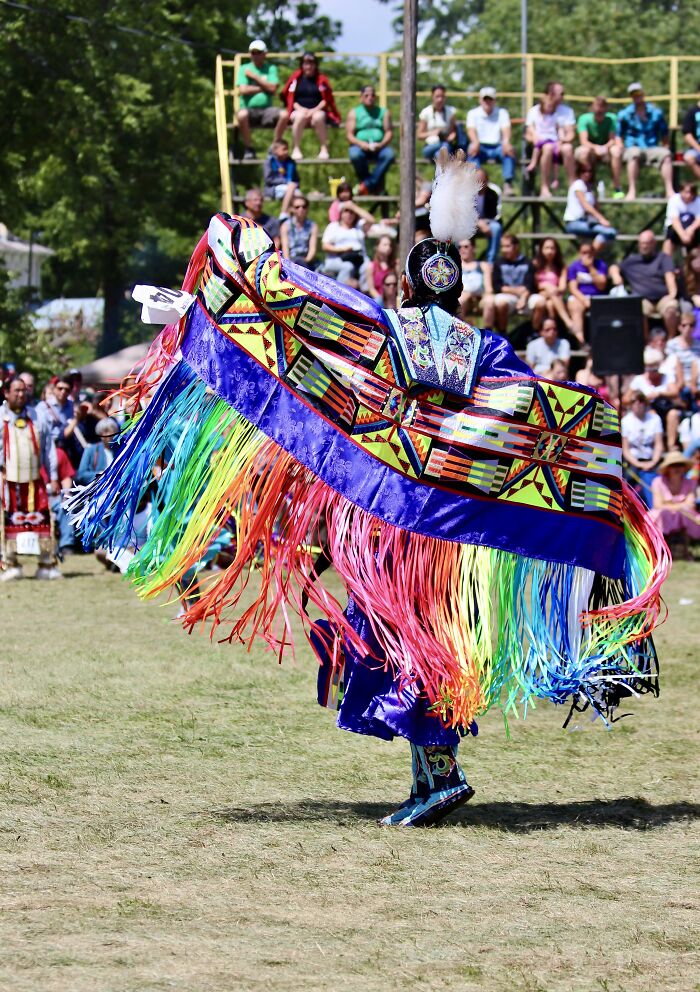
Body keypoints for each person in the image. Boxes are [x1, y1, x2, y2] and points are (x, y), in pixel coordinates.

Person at [73, 153, 667, 829]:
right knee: (422, 643)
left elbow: (312, 316)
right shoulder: (488, 351)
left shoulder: (384, 331)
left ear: (409, 287)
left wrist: (222, 294)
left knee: (400, 643)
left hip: (388, 524)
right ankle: (434, 775)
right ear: (460, 293)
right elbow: (529, 411)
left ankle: (439, 776)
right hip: (454, 531)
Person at [0, 376, 61, 581]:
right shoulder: (0, 416)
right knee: (8, 521)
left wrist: (53, 476)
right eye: (16, 390)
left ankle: (46, 565)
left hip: (35, 481)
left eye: (23, 390)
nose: (21, 394)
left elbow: (48, 448)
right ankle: (10, 564)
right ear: (6, 393)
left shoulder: (38, 416)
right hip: (7, 481)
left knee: (42, 520)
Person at [616, 82, 674, 201]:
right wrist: (620, 147)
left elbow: (664, 133)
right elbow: (618, 134)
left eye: (638, 93)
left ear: (643, 94)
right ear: (631, 96)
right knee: (634, 153)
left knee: (666, 154)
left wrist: (666, 146)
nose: (637, 96)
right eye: (634, 94)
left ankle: (669, 190)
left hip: (651, 146)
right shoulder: (625, 114)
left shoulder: (656, 112)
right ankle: (632, 190)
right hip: (632, 147)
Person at [618, 230, 680, 337]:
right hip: (643, 300)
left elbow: (670, 277)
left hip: (663, 298)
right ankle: (645, 342)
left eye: (647, 243)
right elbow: (614, 267)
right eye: (642, 243)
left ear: (654, 243)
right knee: (637, 311)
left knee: (671, 310)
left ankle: (671, 340)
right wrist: (616, 275)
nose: (644, 246)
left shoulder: (663, 258)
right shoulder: (631, 261)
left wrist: (672, 295)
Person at [281, 53, 340, 161]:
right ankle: (296, 148)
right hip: (299, 110)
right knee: (300, 116)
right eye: (305, 63)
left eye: (311, 63)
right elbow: (290, 99)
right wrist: (302, 109)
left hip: (317, 111)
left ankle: (324, 148)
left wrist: (313, 110)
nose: (308, 66)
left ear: (316, 65)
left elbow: (326, 100)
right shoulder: (296, 79)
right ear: (302, 65)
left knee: (319, 116)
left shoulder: (322, 79)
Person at [235, 39, 288, 159]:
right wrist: (265, 87)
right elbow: (243, 90)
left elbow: (273, 88)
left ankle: (274, 147)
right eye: (253, 52)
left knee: (285, 115)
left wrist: (254, 77)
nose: (255, 55)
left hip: (267, 110)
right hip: (248, 110)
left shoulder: (271, 68)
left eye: (258, 52)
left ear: (265, 54)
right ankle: (249, 148)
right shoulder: (244, 68)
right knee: (241, 115)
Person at [481, 233, 543, 333]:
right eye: (502, 247)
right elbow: (497, 286)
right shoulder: (499, 263)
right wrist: (515, 291)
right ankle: (502, 332)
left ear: (516, 246)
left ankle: (534, 332)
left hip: (526, 296)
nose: (504, 250)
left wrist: (523, 297)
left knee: (540, 302)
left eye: (507, 246)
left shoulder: (528, 262)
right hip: (507, 296)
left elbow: (530, 285)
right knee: (500, 302)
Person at [626, 346, 682, 451]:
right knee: (653, 415)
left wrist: (659, 394)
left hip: (665, 408)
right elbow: (626, 399)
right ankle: (656, 447)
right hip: (647, 410)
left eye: (654, 369)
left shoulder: (667, 376)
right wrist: (641, 398)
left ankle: (671, 446)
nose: (652, 372)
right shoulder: (639, 379)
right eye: (649, 368)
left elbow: (675, 392)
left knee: (673, 414)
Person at [524, 85, 574, 197]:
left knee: (568, 148)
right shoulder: (534, 111)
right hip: (542, 146)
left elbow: (570, 134)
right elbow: (528, 135)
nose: (563, 96)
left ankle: (572, 186)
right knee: (548, 148)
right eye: (561, 94)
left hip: (558, 143)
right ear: (550, 94)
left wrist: (562, 140)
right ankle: (544, 187)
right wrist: (536, 139)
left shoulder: (567, 111)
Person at [466, 87, 515, 196]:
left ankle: (508, 183)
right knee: (472, 152)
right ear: (480, 100)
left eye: (490, 99)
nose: (487, 102)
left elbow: (506, 129)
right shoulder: (473, 113)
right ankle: (475, 184)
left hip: (498, 146)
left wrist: (506, 142)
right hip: (480, 146)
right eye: (485, 99)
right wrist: (475, 142)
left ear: (494, 100)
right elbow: (471, 130)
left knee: (509, 151)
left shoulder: (502, 113)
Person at [346, 86, 395, 195]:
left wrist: (381, 144)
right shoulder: (354, 112)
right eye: (366, 95)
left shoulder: (384, 112)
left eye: (372, 95)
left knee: (389, 155)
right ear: (361, 98)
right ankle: (373, 185)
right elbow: (349, 135)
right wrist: (361, 144)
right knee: (355, 155)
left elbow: (389, 132)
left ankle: (366, 185)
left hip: (380, 146)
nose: (370, 98)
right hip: (359, 146)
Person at [650, 451, 700, 557]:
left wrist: (671, 506)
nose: (677, 468)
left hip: (684, 515)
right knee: (664, 514)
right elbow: (657, 505)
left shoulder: (691, 483)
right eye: (673, 465)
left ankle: (684, 551)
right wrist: (680, 506)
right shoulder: (658, 481)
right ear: (667, 468)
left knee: (685, 514)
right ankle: (660, 552)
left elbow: (691, 504)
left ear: (684, 467)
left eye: (680, 465)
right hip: (663, 515)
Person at [621, 392, 664, 506]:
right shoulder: (626, 421)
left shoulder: (655, 419)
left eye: (641, 401)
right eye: (634, 402)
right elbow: (626, 449)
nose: (638, 404)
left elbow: (658, 444)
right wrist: (638, 464)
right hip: (633, 462)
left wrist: (653, 461)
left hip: (652, 459)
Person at [575, 96, 623, 197]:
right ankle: (585, 187)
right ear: (592, 108)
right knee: (582, 152)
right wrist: (596, 147)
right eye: (597, 107)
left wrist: (604, 147)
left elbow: (612, 139)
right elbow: (583, 141)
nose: (599, 110)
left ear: (606, 108)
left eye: (602, 107)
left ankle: (617, 188)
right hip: (590, 148)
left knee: (616, 151)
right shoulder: (584, 119)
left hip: (607, 149)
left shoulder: (612, 119)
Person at [36, 374, 86, 468]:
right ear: (54, 389)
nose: (63, 392)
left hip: (70, 451)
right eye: (60, 388)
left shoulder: (73, 406)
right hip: (50, 450)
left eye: (67, 390)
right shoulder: (43, 407)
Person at [564, 161, 617, 243]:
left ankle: (590, 251)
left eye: (590, 171)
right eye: (583, 171)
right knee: (610, 232)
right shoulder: (578, 184)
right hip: (574, 223)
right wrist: (602, 219)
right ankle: (590, 251)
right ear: (579, 172)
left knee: (605, 235)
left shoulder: (589, 188)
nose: (587, 174)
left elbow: (596, 207)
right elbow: (585, 205)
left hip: (588, 222)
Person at [566, 241, 608, 344]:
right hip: (580, 297)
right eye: (584, 253)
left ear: (593, 253)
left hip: (597, 296)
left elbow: (602, 285)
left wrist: (591, 268)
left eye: (589, 252)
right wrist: (584, 300)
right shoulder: (574, 267)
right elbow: (573, 288)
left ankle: (602, 340)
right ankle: (580, 340)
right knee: (575, 306)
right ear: (580, 253)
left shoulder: (600, 265)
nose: (587, 255)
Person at [320, 203, 370, 287]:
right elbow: (325, 246)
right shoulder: (334, 226)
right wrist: (343, 250)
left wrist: (354, 207)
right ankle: (339, 291)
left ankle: (364, 292)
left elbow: (371, 220)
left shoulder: (359, 226)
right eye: (346, 211)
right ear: (341, 213)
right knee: (348, 266)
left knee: (368, 267)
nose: (349, 214)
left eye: (351, 212)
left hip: (358, 258)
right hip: (337, 259)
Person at [532, 237, 574, 332]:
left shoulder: (561, 266)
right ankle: (568, 322)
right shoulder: (535, 265)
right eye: (547, 248)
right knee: (549, 298)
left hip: (555, 295)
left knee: (550, 304)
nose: (550, 251)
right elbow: (533, 284)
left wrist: (553, 289)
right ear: (541, 249)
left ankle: (545, 332)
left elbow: (562, 287)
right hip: (539, 295)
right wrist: (546, 286)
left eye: (552, 248)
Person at [417, 85, 457, 161]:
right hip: (430, 146)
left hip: (445, 147)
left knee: (439, 154)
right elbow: (419, 135)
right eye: (437, 96)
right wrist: (433, 133)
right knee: (444, 147)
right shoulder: (426, 112)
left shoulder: (451, 111)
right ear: (432, 96)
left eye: (442, 96)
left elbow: (453, 131)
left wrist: (451, 136)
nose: (440, 99)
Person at [75, 417, 120, 486]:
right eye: (105, 431)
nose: (109, 434)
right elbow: (81, 474)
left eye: (112, 430)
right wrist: (100, 474)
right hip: (98, 488)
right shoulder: (90, 450)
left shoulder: (119, 449)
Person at [262, 139, 300, 218]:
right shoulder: (270, 162)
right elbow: (268, 179)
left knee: (299, 197)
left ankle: (291, 218)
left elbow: (296, 178)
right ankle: (283, 213)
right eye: (284, 149)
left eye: (287, 149)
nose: (287, 151)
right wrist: (286, 182)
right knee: (292, 188)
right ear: (275, 150)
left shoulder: (290, 162)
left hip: (290, 189)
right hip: (273, 188)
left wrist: (295, 184)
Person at [280, 195, 318, 270]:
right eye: (297, 207)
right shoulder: (285, 226)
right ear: (292, 209)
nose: (301, 209)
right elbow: (285, 248)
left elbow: (312, 249)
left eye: (304, 207)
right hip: (290, 261)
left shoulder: (313, 226)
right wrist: (289, 264)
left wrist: (306, 262)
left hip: (306, 261)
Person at [663, 181, 700, 255]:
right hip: (676, 230)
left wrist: (690, 230)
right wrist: (683, 235)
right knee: (670, 237)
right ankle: (665, 260)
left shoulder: (698, 201)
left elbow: (698, 220)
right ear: (681, 191)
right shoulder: (674, 200)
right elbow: (675, 220)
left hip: (693, 230)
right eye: (686, 192)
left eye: (691, 193)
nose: (688, 195)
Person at [474, 168, 502, 264]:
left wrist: (484, 223)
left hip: (489, 222)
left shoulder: (494, 192)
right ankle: (461, 261)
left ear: (487, 181)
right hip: (469, 222)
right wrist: (478, 222)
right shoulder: (466, 192)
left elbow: (496, 215)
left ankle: (491, 262)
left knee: (496, 228)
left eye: (482, 180)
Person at [457, 239, 490, 320]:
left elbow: (489, 288)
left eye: (466, 246)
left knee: (490, 302)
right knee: (461, 300)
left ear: (474, 248)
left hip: (480, 298)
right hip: (461, 298)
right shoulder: (455, 267)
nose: (462, 249)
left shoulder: (483, 266)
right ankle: (460, 327)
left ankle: (488, 327)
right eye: (459, 247)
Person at [365, 235, 397, 302]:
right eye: (385, 245)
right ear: (377, 247)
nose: (388, 247)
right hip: (378, 301)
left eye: (390, 245)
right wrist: (381, 301)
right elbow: (371, 289)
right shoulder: (371, 266)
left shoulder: (395, 265)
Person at [681, 93, 700, 182]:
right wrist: (699, 148)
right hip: (696, 149)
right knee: (689, 157)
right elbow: (687, 135)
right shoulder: (692, 112)